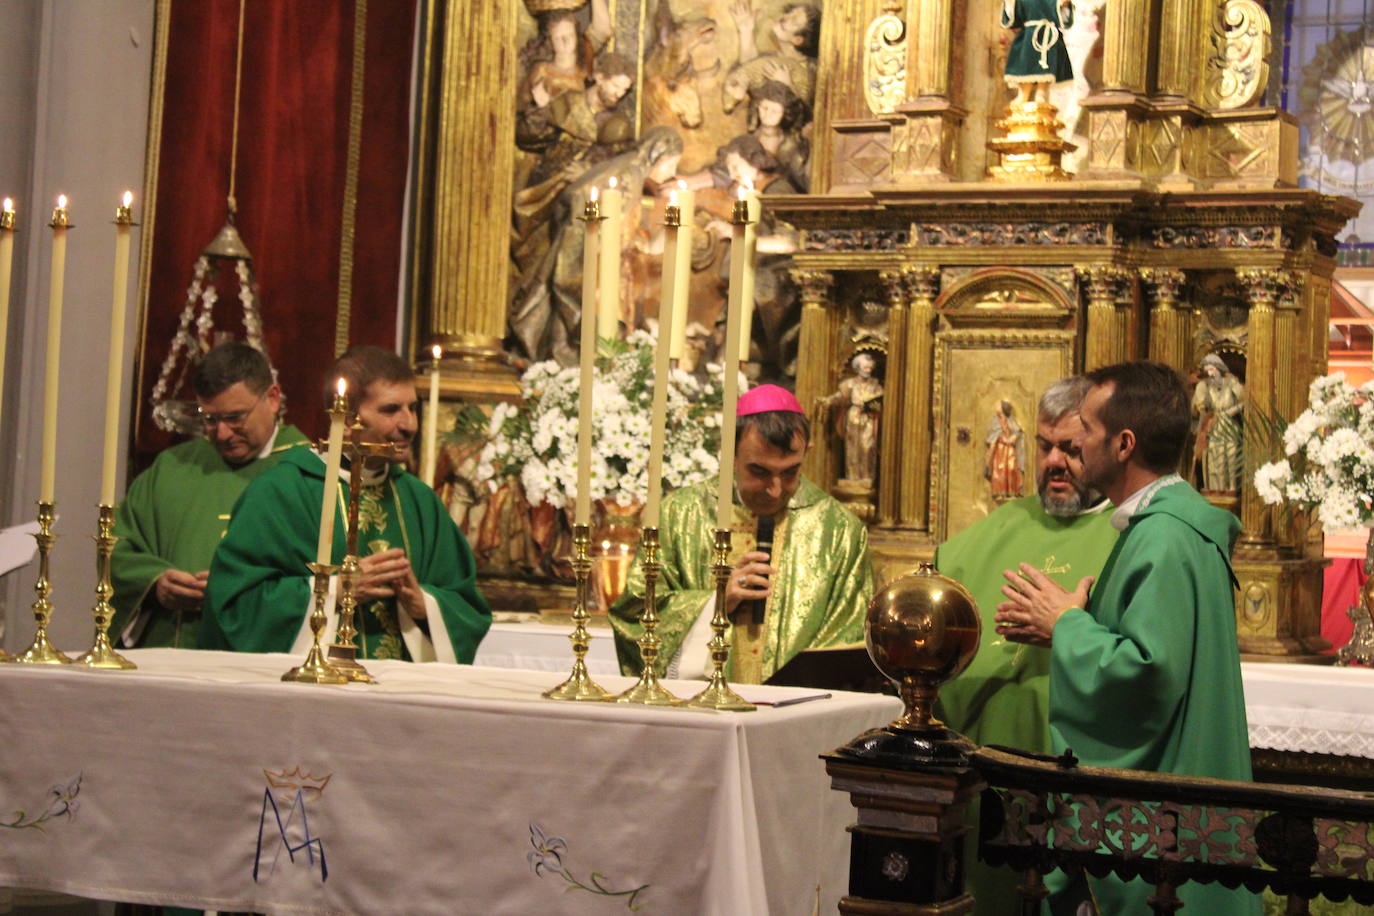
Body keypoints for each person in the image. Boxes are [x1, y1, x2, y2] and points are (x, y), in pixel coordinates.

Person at [993, 361, 1258, 916]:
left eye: (1085, 430)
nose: (1075, 443)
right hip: (1183, 811)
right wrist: (1073, 625)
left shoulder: (1163, 538)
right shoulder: (1170, 525)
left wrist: (1067, 624)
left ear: (1123, 444)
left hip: (1161, 826)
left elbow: (1147, 676)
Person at [934, 376, 1118, 916]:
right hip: (978, 778)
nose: (1054, 462)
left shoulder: (1132, 535)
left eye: (1071, 448)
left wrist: (1067, 627)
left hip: (1077, 785)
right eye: (1044, 447)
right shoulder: (995, 530)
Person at [201, 346, 490, 663]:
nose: (409, 424)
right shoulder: (281, 493)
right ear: (348, 420)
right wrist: (335, 590)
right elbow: (235, 606)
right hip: (312, 696)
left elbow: (466, 605)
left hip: (399, 696)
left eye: (412, 407)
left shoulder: (420, 502)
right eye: (391, 409)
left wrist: (424, 606)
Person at [610, 384, 873, 684]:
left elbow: (850, 639)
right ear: (730, 452)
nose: (774, 489)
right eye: (759, 472)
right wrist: (715, 602)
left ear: (807, 452)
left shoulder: (840, 531)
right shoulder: (678, 515)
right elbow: (633, 615)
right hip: (702, 712)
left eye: (789, 472)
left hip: (797, 715)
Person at [110, 342, 309, 649]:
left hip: (262, 663)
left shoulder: (309, 472)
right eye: (210, 418)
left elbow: (326, 577)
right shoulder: (173, 467)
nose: (222, 433)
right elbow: (117, 546)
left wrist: (234, 591)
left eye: (235, 417)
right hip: (168, 655)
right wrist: (155, 582)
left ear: (272, 398)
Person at [1001, 0, 1074, 104]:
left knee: (1046, 65)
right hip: (1028, 36)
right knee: (1025, 64)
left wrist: (1064, 5)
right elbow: (1014, 18)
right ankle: (1023, 93)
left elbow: (1063, 19)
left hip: (1048, 36)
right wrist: (1010, 3)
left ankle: (1041, 92)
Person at [1192, 352, 1245, 493]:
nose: (1210, 373)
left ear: (1219, 369)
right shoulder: (1206, 387)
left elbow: (1244, 401)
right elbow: (1200, 409)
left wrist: (1229, 412)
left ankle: (1232, 487)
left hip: (1229, 426)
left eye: (1212, 369)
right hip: (1214, 426)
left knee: (1231, 457)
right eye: (1207, 370)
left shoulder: (1231, 383)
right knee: (1215, 459)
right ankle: (1217, 489)